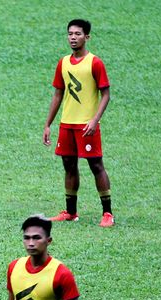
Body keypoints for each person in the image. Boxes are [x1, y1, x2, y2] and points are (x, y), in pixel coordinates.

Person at [43, 19, 114, 227]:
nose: (73, 37)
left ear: (87, 37)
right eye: (70, 34)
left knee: (95, 165)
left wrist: (94, 120)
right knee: (69, 165)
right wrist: (48, 124)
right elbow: (58, 94)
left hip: (86, 125)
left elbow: (106, 94)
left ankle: (108, 213)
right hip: (67, 124)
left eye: (77, 34)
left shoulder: (95, 63)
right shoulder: (63, 63)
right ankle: (71, 212)